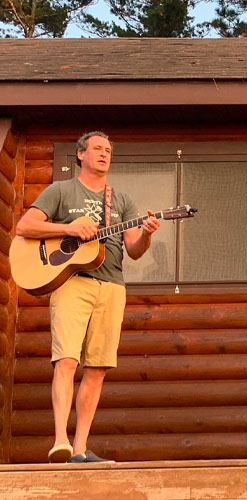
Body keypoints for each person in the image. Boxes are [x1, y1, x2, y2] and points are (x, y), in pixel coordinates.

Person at [15, 131, 161, 463]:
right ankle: (60, 441)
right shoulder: (61, 190)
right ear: (80, 154)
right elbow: (25, 227)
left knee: (97, 367)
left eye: (108, 150)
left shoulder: (121, 200)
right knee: (66, 360)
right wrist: (69, 229)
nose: (104, 154)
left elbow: (135, 251)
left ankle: (80, 449)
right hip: (72, 282)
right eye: (97, 149)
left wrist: (148, 235)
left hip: (112, 285)